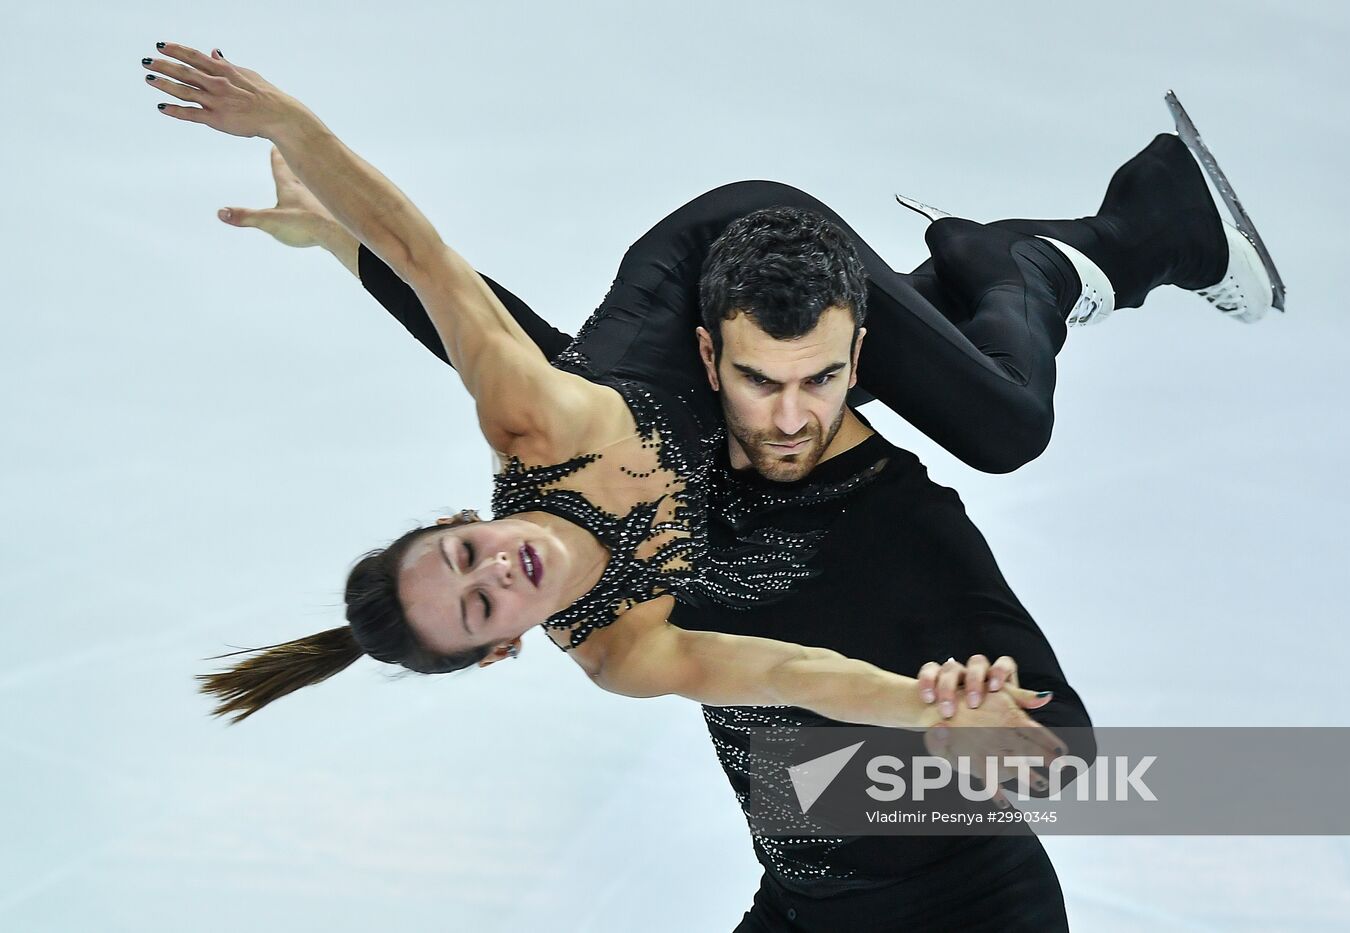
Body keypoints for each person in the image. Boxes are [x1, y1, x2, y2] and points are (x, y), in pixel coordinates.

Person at [152, 43, 1062, 762]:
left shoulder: (534, 425)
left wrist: (287, 123)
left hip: (732, 254)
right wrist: (925, 708)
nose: (498, 574)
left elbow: (428, 262)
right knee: (797, 418)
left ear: (461, 517)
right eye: (479, 608)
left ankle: (1020, 268)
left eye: (467, 553)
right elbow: (786, 671)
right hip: (748, 387)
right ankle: (958, 282)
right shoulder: (620, 648)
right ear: (505, 648)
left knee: (1004, 425)